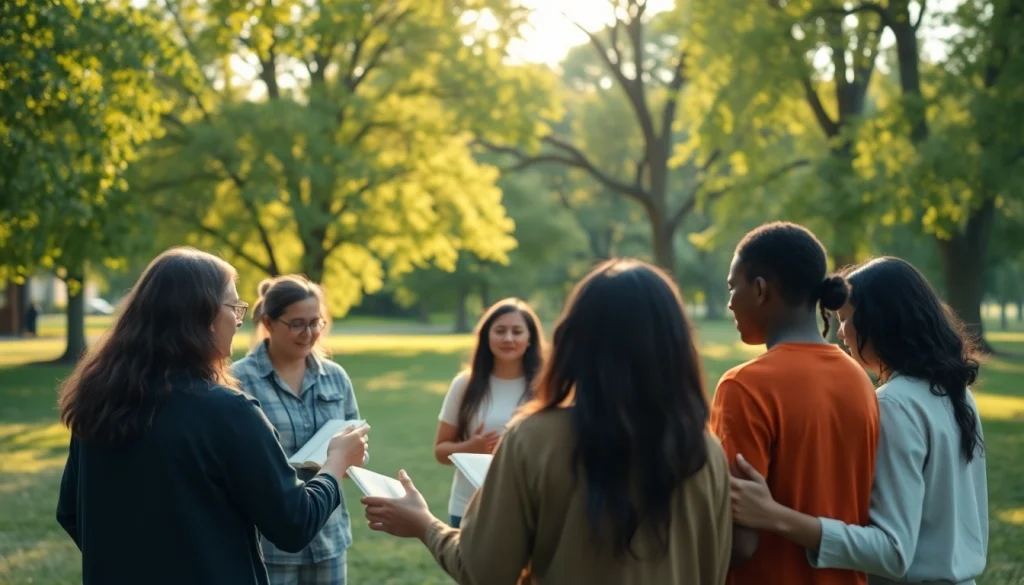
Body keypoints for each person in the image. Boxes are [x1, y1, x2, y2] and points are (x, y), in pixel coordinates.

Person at [361, 259, 734, 584]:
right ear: (677, 344)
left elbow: (485, 571)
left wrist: (425, 524)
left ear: (574, 339)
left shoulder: (534, 439)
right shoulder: (706, 451)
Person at [55, 247, 370, 585]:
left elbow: (72, 513)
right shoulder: (229, 412)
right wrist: (335, 463)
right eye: (233, 306)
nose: (238, 319)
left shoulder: (98, 400)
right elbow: (294, 524)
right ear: (200, 315)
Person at [730, 256, 989, 585]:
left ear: (877, 321)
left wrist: (774, 516)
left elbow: (892, 553)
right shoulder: (954, 393)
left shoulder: (896, 404)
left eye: (844, 318)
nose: (840, 332)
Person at [711, 222, 879, 585]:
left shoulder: (744, 386)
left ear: (759, 290)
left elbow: (739, 543)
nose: (728, 302)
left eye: (731, 287)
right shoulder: (858, 379)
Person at [232, 275, 365, 585]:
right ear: (268, 322)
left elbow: (353, 446)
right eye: (297, 324)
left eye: (316, 323)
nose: (309, 334)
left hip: (329, 537)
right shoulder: (237, 381)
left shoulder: (335, 377)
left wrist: (352, 453)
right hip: (270, 545)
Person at [433, 297, 544, 528]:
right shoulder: (464, 384)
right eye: (500, 331)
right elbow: (440, 451)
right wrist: (470, 448)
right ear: (486, 336)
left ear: (529, 337)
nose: (508, 338)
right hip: (469, 509)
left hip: (530, 509)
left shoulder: (544, 387)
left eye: (517, 331)